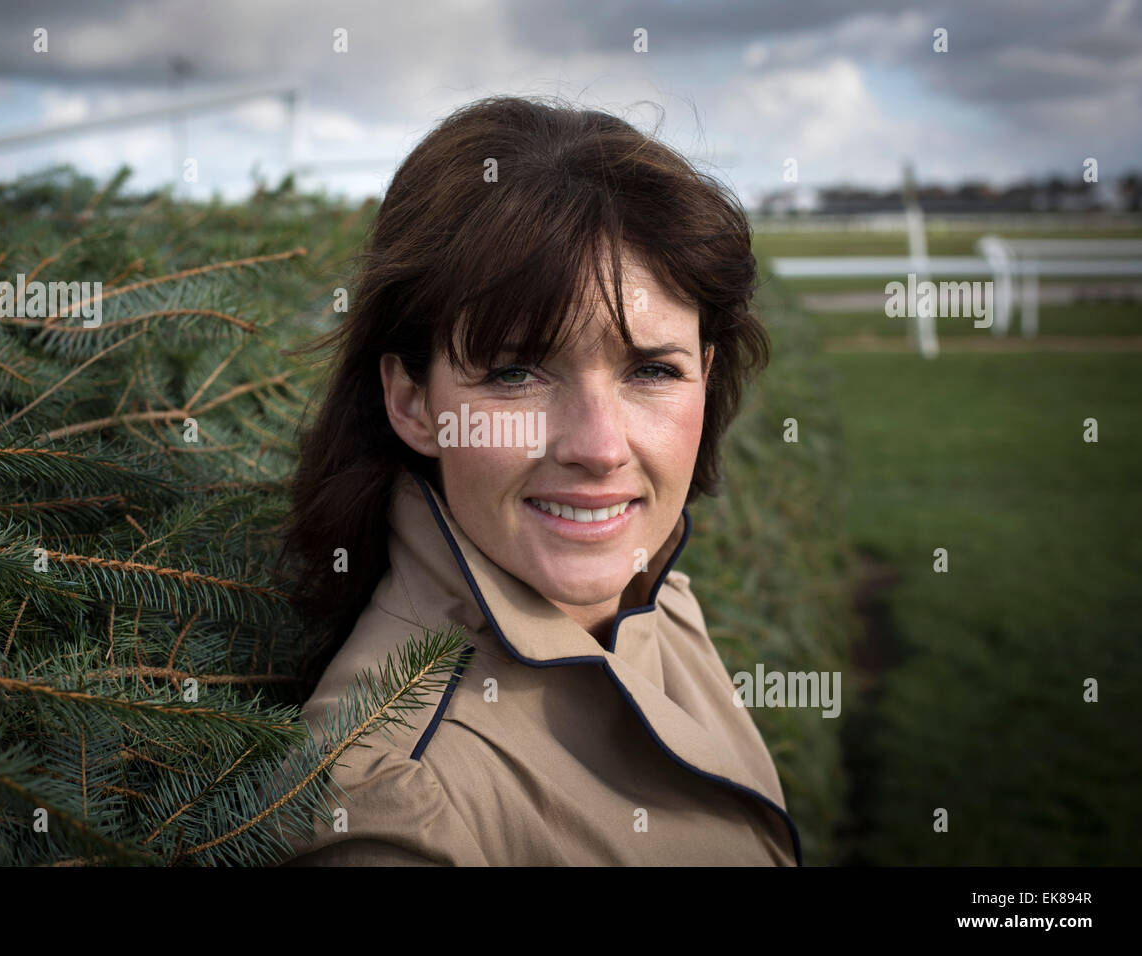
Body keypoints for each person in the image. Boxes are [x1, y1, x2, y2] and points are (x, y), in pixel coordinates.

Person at [278, 94, 801, 865]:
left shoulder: (649, 592)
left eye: (653, 370)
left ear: (708, 375)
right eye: (516, 372)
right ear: (412, 401)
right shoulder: (395, 816)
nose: (598, 447)